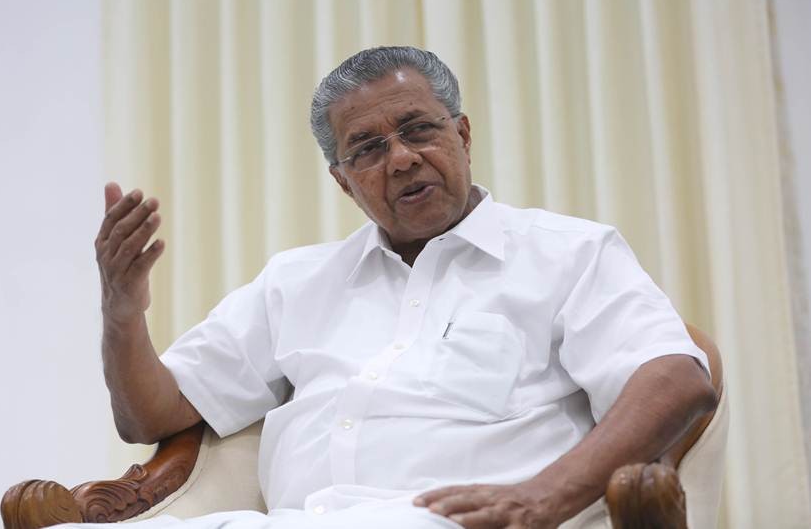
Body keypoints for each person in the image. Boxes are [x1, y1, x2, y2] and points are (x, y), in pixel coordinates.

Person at [78, 46, 717, 529]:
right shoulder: (295, 282)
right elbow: (151, 416)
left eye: (418, 130)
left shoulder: (568, 252)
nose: (403, 158)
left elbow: (678, 379)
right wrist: (122, 311)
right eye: (367, 149)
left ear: (462, 135)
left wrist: (543, 496)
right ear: (342, 181)